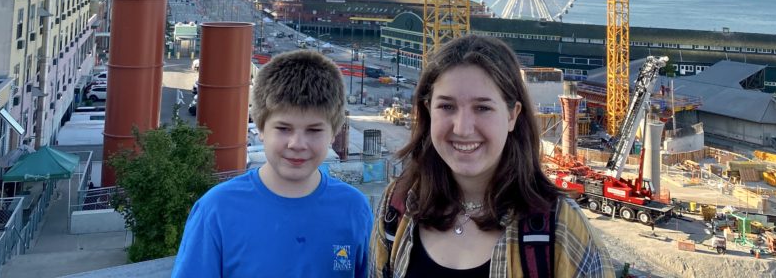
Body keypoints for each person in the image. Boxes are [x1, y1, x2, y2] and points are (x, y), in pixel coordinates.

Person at [369, 35, 612, 278]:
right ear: (428, 110)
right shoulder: (397, 207)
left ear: (512, 115)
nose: (462, 129)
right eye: (446, 106)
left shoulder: (561, 229)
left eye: (482, 108)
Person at [173, 49, 373, 277]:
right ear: (260, 128)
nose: (297, 144)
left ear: (334, 132)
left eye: (314, 130)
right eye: (283, 128)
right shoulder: (216, 211)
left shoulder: (354, 210)